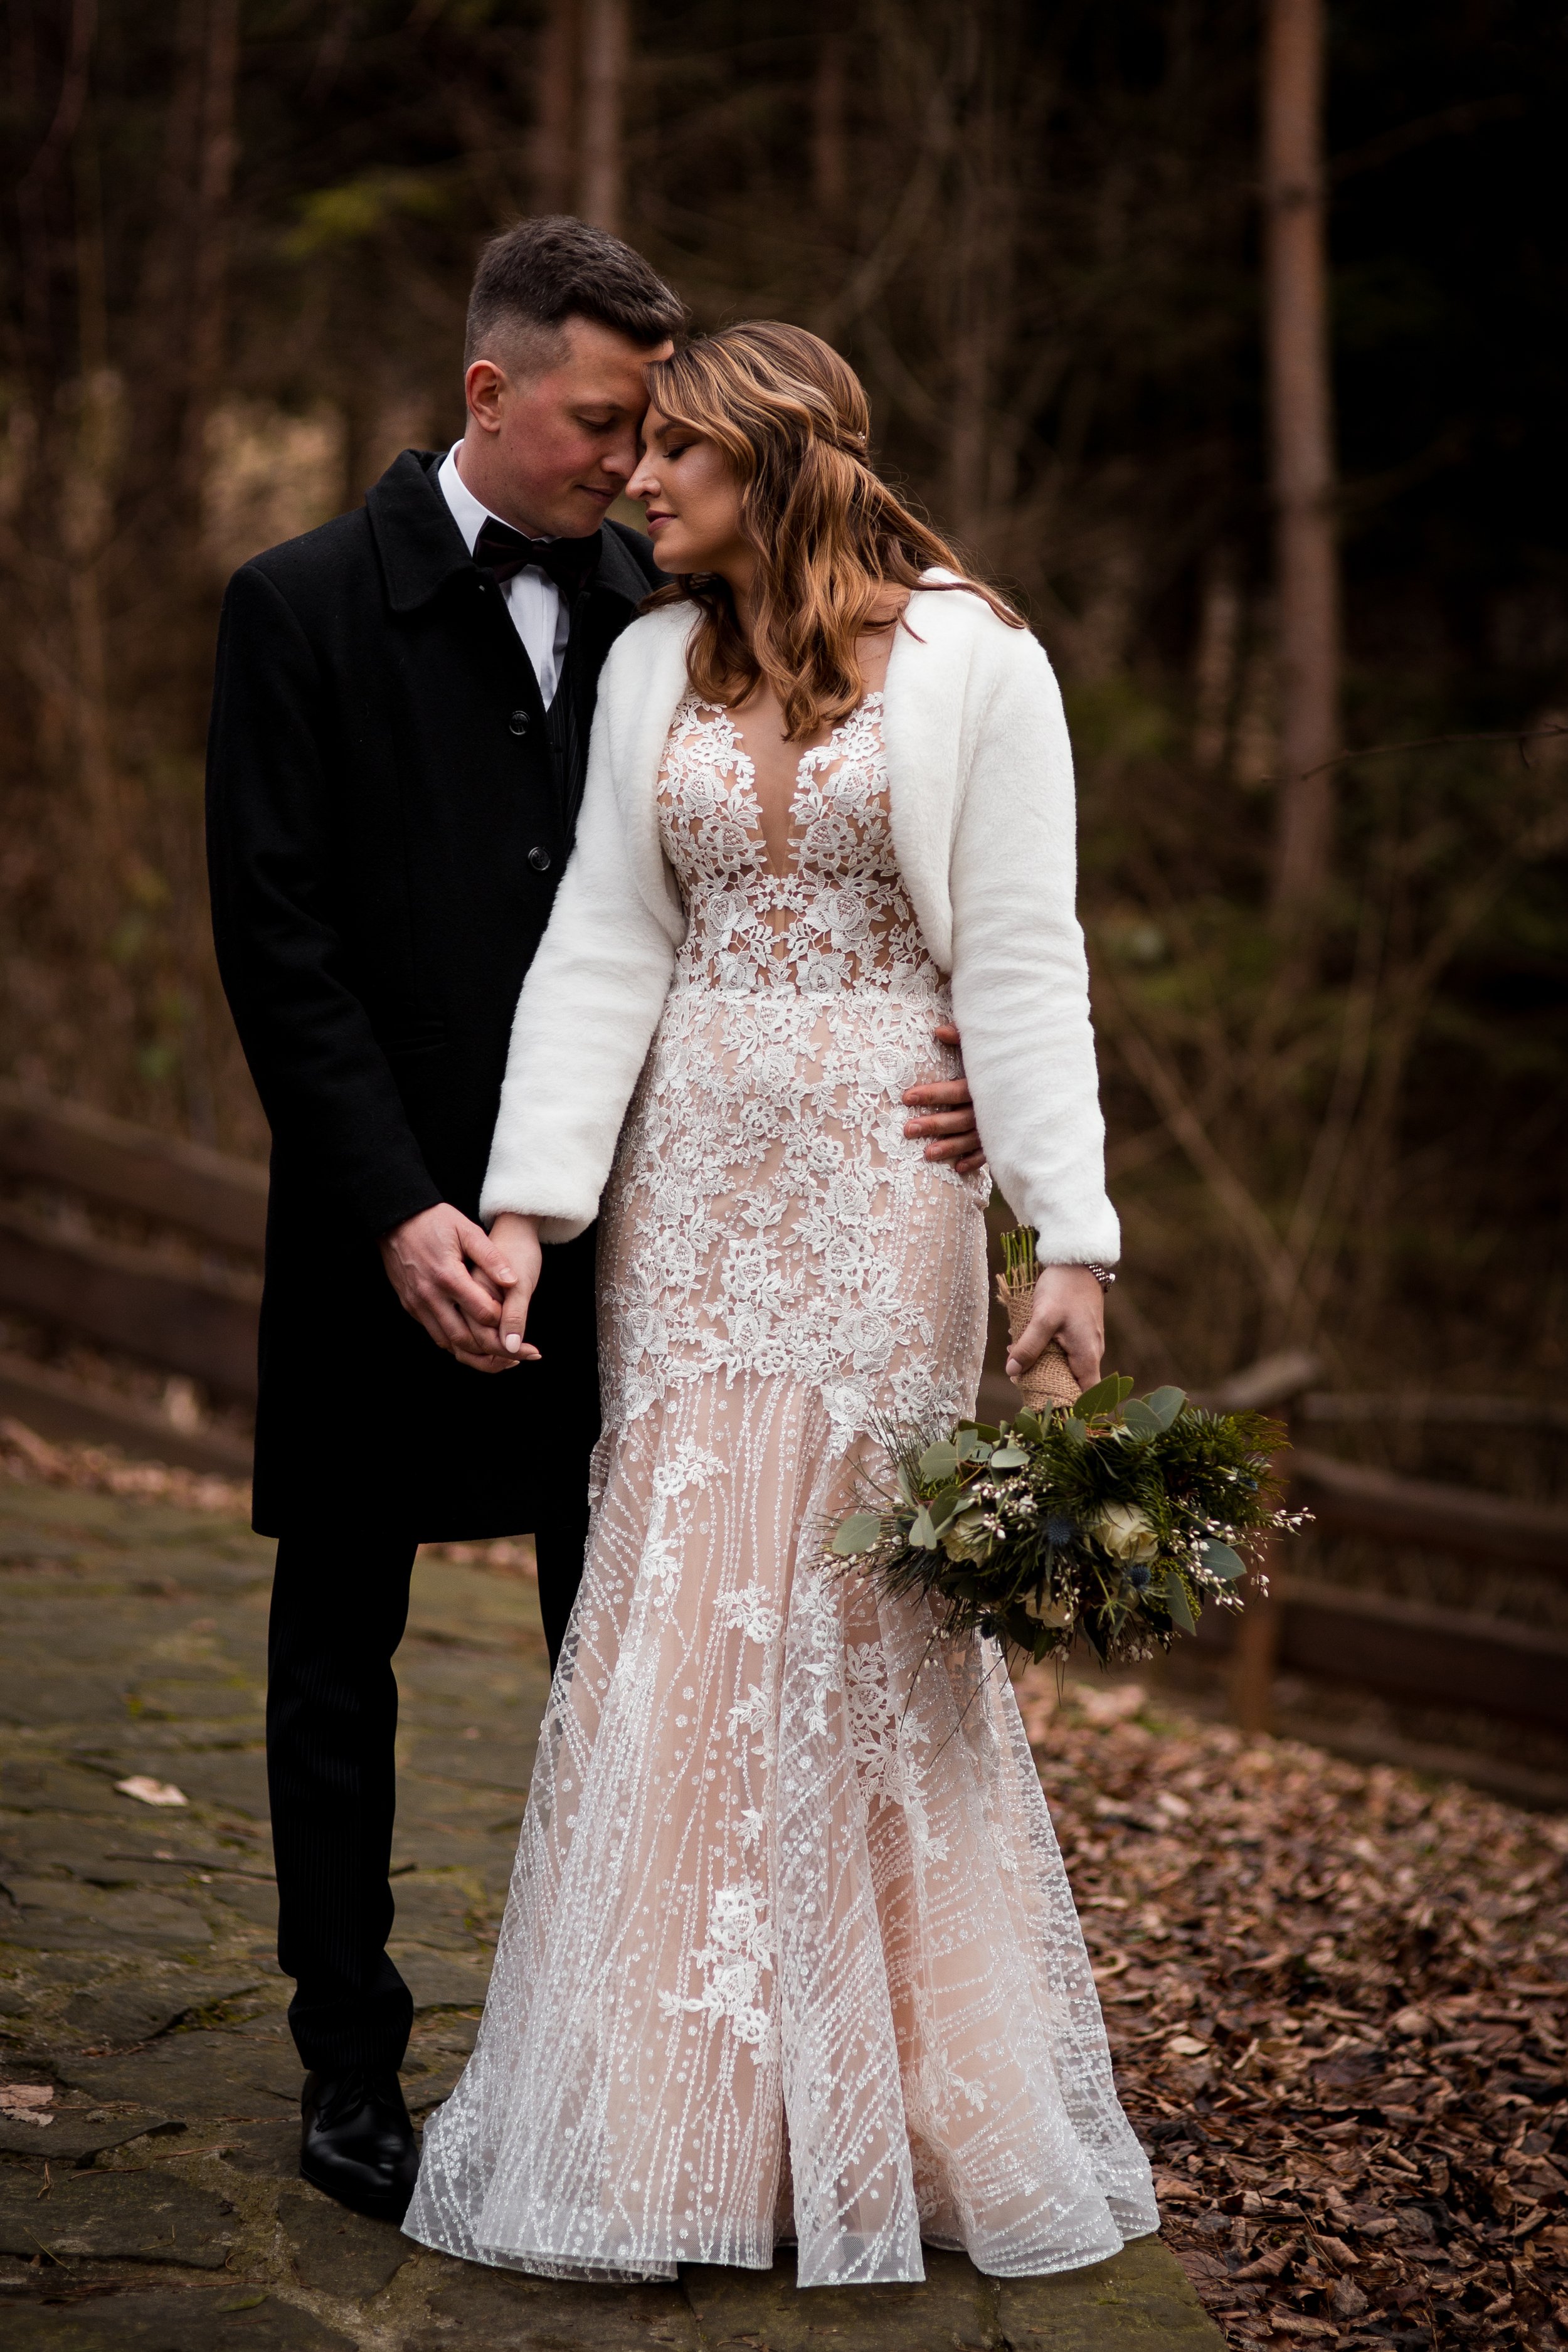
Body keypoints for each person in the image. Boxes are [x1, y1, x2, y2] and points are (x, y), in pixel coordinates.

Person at [206, 222, 983, 2227]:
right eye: (601, 421)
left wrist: (958, 1037)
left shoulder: (691, 595)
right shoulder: (294, 606)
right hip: (380, 1211)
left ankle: (638, 2075)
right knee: (336, 1649)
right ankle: (349, 2055)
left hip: (655, 1227)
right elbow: (278, 948)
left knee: (639, 1651)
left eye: (661, 431)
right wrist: (397, 1205)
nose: (636, 467)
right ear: (491, 393)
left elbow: (879, 829)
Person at [405, 323, 1157, 2286]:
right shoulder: (653, 661)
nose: (635, 483)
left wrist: (1063, 1232)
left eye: (671, 453)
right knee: (676, 1594)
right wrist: (527, 1211)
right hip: (685, 1196)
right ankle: (671, 2118)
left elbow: (1019, 948)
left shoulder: (977, 661)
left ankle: (880, 2107)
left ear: (775, 458)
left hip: (881, 1191)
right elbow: (599, 948)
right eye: (631, 449)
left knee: (851, 1609)